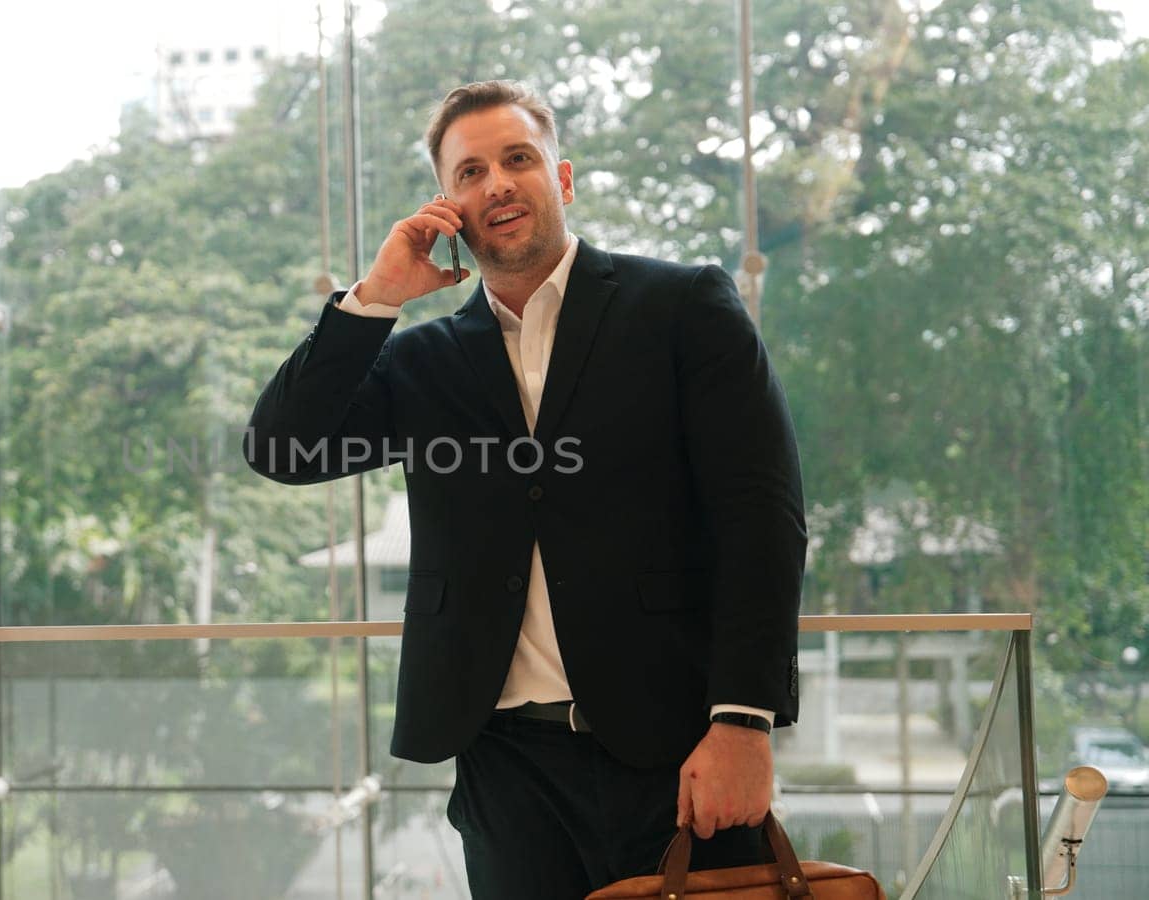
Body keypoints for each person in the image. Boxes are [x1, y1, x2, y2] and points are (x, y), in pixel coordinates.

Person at [244, 80, 806, 898]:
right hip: (504, 770)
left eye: (518, 159)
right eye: (469, 173)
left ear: (562, 178)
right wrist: (375, 299)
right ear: (449, 207)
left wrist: (744, 723)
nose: (496, 183)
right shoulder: (421, 360)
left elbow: (763, 519)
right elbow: (282, 449)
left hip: (679, 756)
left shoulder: (682, 307)